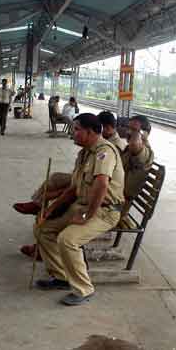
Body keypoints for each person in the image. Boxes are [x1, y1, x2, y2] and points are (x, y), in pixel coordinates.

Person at [34, 113, 125, 305]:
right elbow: (74, 188)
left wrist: (87, 215)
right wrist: (51, 209)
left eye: (76, 130)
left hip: (104, 211)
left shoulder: (104, 152)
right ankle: (61, 277)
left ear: (90, 132)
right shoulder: (84, 153)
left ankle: (84, 289)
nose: (73, 133)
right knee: (43, 229)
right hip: (82, 206)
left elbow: (102, 185)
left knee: (68, 240)